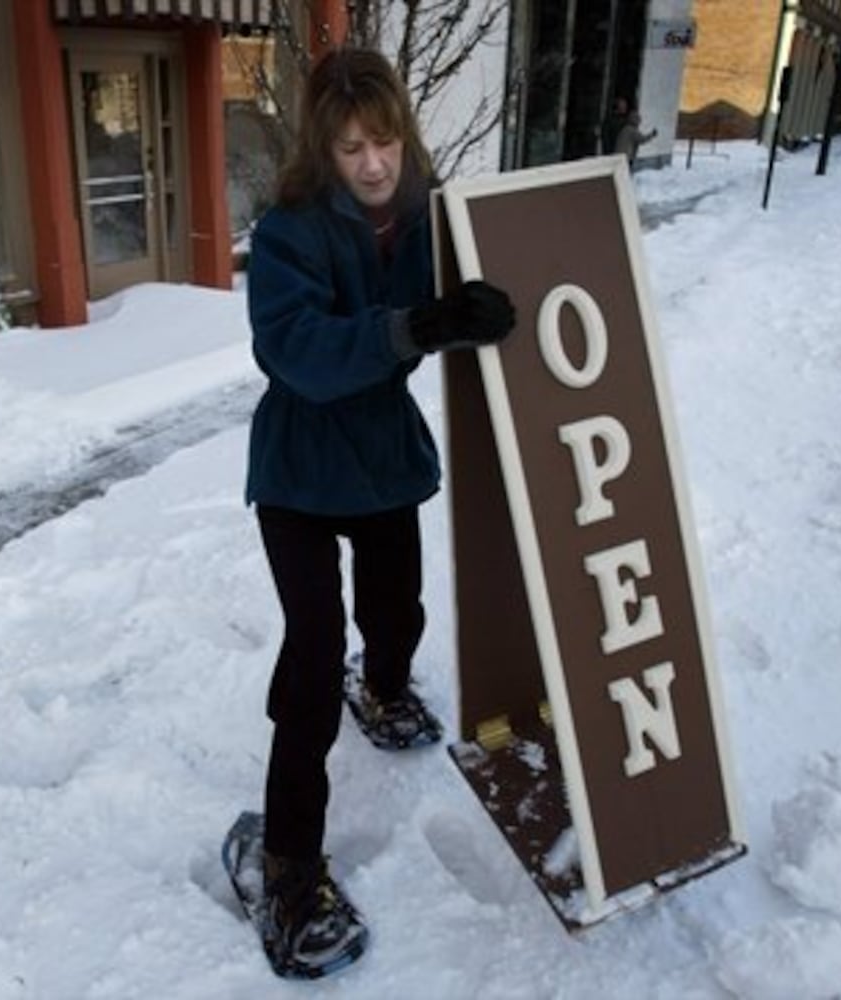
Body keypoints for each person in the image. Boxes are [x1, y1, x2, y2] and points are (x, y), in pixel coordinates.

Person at [244, 47, 516, 976]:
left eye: (385, 140)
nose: (371, 164)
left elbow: (492, 273)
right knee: (315, 653)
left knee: (397, 604)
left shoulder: (434, 218)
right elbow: (298, 351)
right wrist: (415, 327)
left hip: (384, 454)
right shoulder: (288, 232)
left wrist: (490, 303)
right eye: (351, 146)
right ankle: (286, 868)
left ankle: (388, 682)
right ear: (324, 148)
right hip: (300, 465)